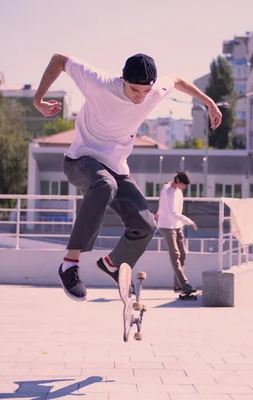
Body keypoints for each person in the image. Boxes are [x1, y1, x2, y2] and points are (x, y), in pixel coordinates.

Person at [33, 53, 222, 302]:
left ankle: (113, 263)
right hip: (80, 160)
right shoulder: (99, 82)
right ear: (123, 78)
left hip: (117, 168)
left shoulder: (153, 91)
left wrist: (209, 103)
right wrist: (38, 100)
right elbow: (59, 60)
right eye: (134, 90)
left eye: (146, 91)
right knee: (104, 184)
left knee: (146, 224)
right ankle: (70, 264)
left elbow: (176, 80)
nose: (140, 97)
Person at [155, 171, 197, 295]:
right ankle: (184, 285)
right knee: (175, 255)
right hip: (167, 226)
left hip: (178, 226)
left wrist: (158, 212)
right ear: (178, 181)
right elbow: (172, 211)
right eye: (184, 184)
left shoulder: (178, 191)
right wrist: (189, 221)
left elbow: (162, 206)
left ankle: (177, 285)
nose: (184, 187)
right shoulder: (167, 191)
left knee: (183, 254)